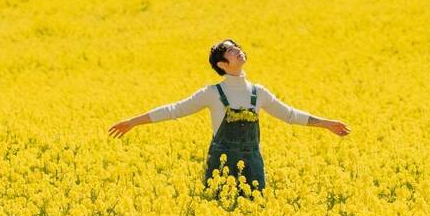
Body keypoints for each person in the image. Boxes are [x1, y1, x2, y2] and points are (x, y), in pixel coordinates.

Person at [108, 39, 351, 196]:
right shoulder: (212, 93)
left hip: (252, 162)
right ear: (223, 64)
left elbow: (289, 115)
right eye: (231, 50)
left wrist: (326, 124)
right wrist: (133, 122)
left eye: (237, 47)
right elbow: (174, 110)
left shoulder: (259, 92)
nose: (238, 50)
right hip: (221, 164)